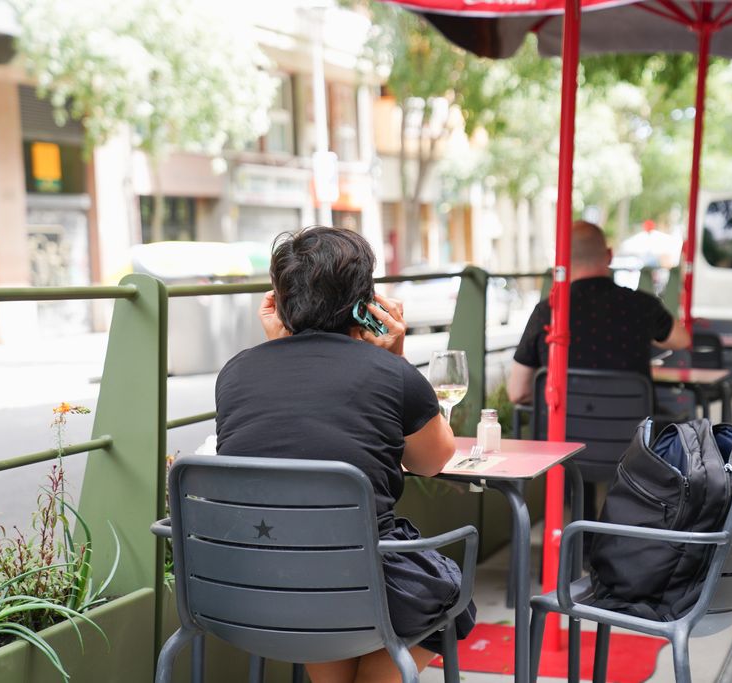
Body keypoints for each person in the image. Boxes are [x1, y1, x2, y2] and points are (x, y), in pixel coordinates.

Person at [215, 226, 475, 683]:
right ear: (364, 301)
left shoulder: (234, 375)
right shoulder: (390, 374)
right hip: (356, 584)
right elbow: (432, 462)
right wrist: (395, 357)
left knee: (318, 576)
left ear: (278, 298)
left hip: (250, 588)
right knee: (449, 594)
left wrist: (281, 346)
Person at [507, 220, 691, 405]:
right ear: (609, 255)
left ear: (563, 261)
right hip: (630, 429)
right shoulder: (642, 305)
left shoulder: (548, 312)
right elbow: (682, 339)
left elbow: (518, 392)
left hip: (563, 430)